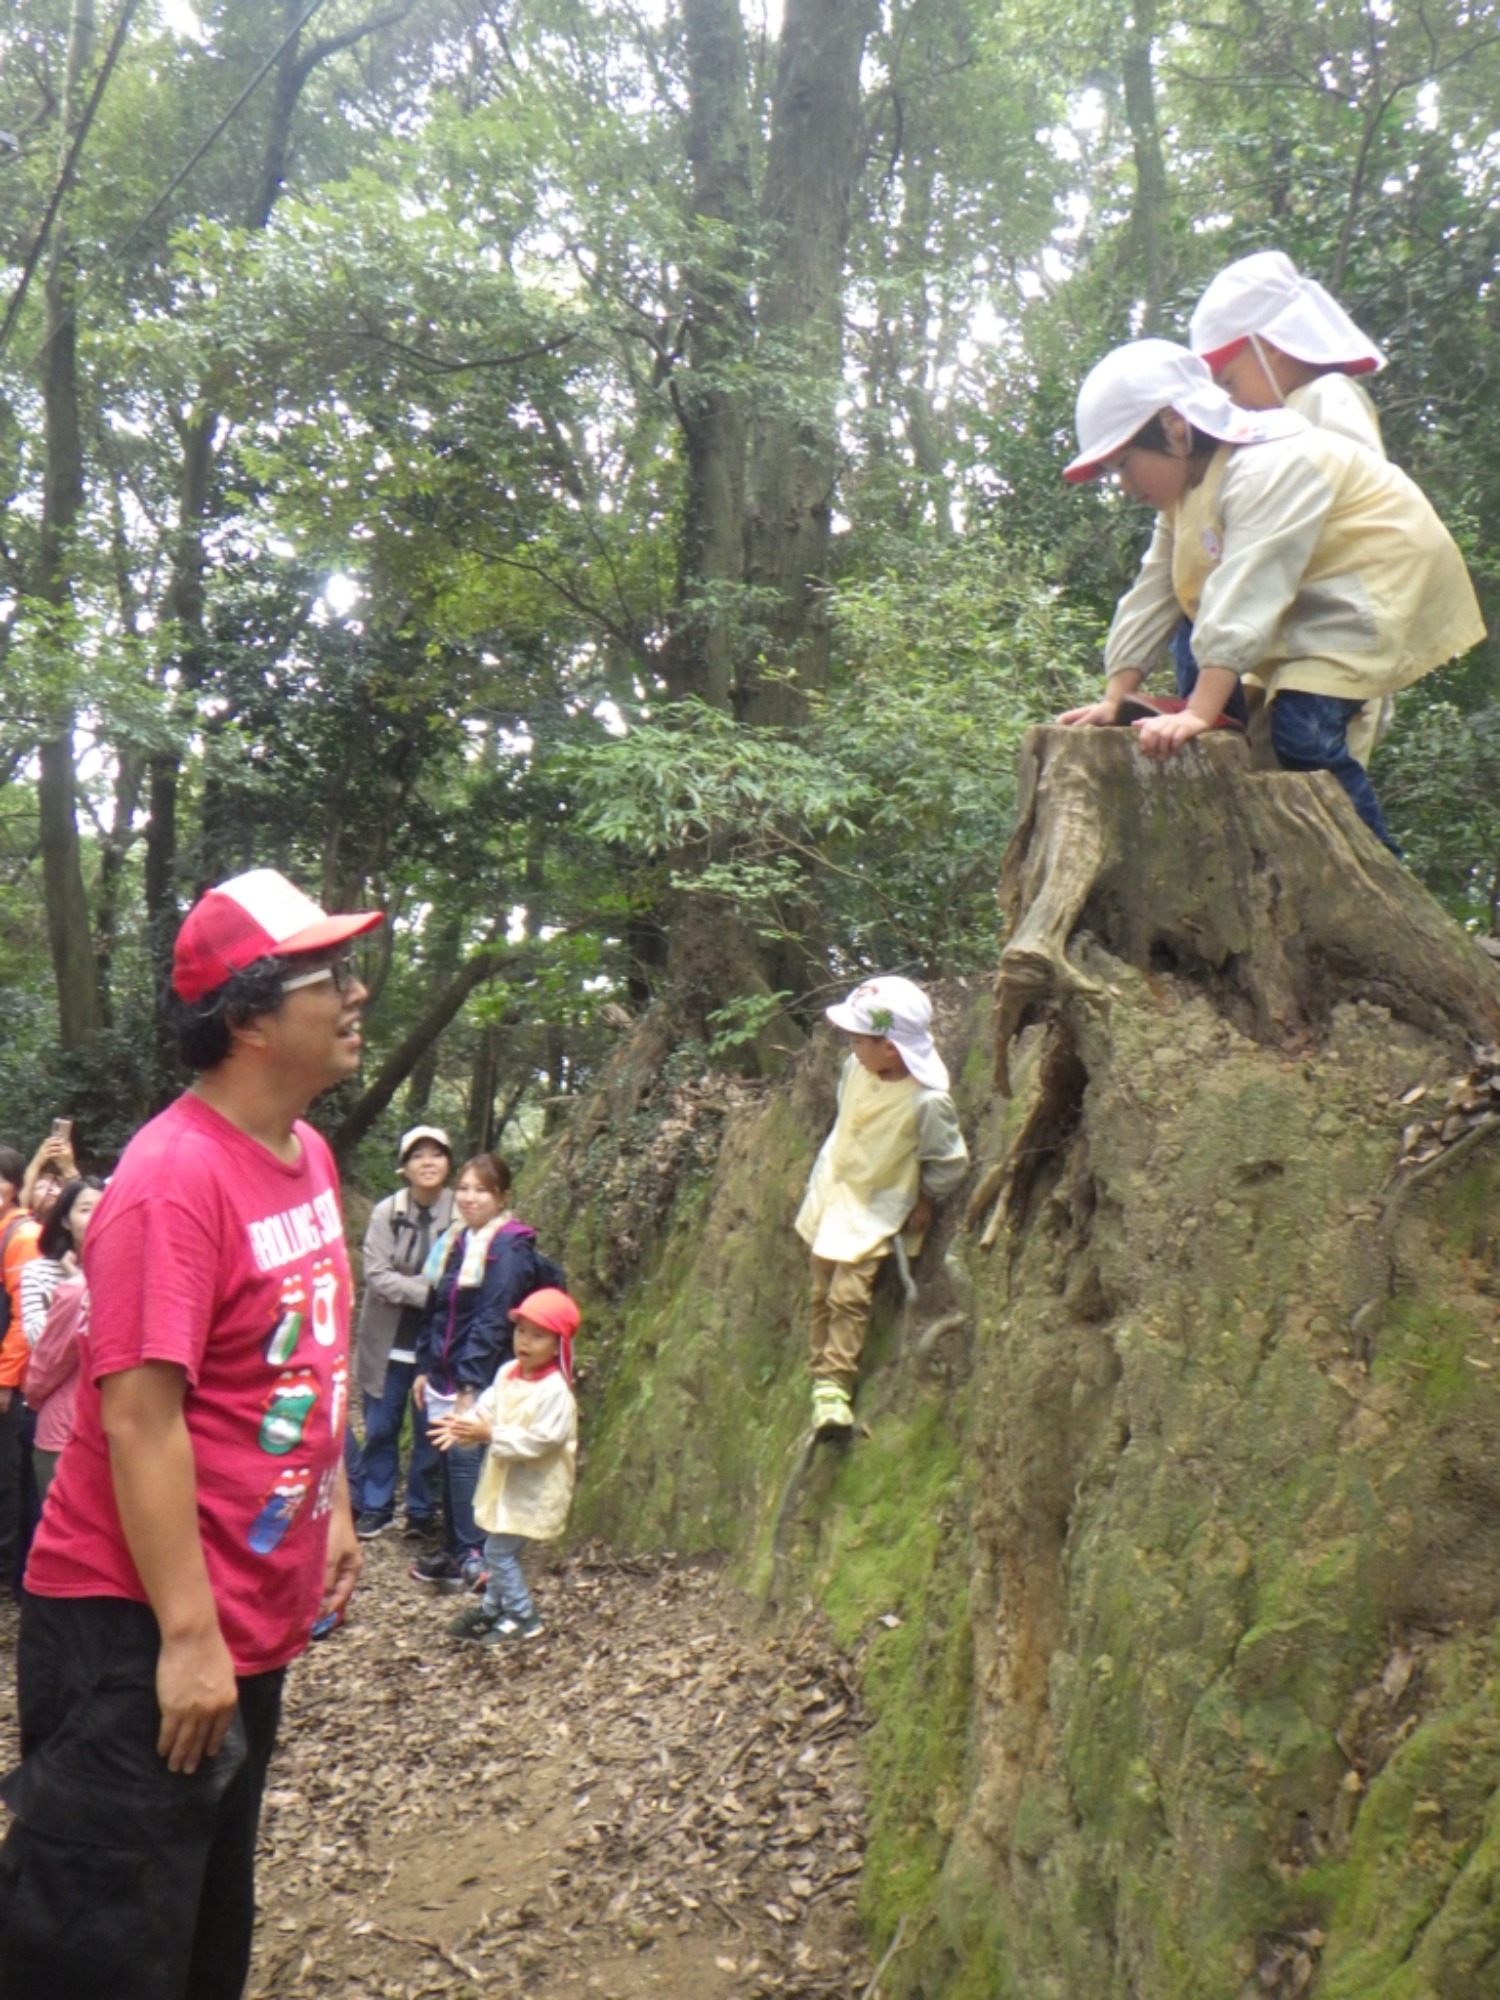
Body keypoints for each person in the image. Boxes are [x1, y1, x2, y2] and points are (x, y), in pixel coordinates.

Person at [0, 867, 380, 2000]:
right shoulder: (173, 1180)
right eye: (330, 976)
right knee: (100, 1943)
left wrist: (339, 1510)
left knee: (203, 1914)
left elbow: (301, 1359)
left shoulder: (305, 1153)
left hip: (241, 1616)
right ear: (253, 1015)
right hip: (137, 1628)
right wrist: (185, 1633)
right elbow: (137, 1417)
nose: (356, 993)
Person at [1057, 340, 1485, 853]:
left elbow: (1248, 587)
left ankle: (1382, 872)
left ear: (1175, 426)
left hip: (1369, 583)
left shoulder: (1262, 465)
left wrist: (1196, 712)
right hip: (1310, 596)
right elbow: (1154, 592)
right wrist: (1113, 699)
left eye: (1126, 464)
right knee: (1193, 608)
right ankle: (1223, 720)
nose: (1122, 484)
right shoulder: (1181, 502)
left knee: (1304, 735)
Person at [794, 976, 969, 1438]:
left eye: (859, 1039)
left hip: (873, 1210)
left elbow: (950, 1162)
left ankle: (834, 1388)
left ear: (891, 1048)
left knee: (847, 1297)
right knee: (820, 1290)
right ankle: (819, 1375)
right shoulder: (857, 1070)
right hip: (833, 1194)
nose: (851, 1046)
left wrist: (925, 1198)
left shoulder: (926, 1101)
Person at [409, 1151, 557, 1594]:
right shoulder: (457, 1240)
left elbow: (493, 1319)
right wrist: (423, 1366)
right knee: (447, 1456)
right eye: (466, 1189)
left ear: (502, 1197)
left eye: (482, 1190)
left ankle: (474, 1554)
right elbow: (436, 1307)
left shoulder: (508, 1246)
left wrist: (469, 1386)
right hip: (444, 1370)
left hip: (481, 1375)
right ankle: (456, 1550)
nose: (470, 1198)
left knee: (464, 1461)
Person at [437, 1286, 580, 1647]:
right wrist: (466, 1425)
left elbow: (541, 1441)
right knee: (497, 1547)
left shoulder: (555, 1392)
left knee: (498, 1552)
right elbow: (488, 1407)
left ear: (557, 1343)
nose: (525, 1341)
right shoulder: (507, 1373)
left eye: (538, 1335)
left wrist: (489, 1434)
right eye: (521, 1331)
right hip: (504, 1484)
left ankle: (522, 1615)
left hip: (534, 1489)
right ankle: (492, 1608)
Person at [350, 1126, 454, 1540]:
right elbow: (376, 1276)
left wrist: (414, 1291)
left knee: (431, 1431)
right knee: (380, 1427)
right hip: (386, 1342)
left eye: (436, 1154)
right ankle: (377, 1506)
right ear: (404, 1167)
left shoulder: (462, 1212)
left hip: (436, 1345)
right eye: (417, 1156)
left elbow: (466, 1276)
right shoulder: (386, 1212)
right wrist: (431, 1292)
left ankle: (421, 1510)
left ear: (448, 1162)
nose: (427, 1162)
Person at [22, 1179, 103, 1501]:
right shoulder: (39, 1272)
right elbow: (40, 1344)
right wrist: (80, 1289)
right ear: (66, 1219)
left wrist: (78, 1282)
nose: (97, 1216)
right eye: (86, 1209)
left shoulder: (127, 1267)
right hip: (62, 1420)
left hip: (107, 1422)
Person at [0, 1148, 39, 1603]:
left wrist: (7, 1380)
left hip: (13, 1386)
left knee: (9, 1475)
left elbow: (21, 1319)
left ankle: (9, 1568)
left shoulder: (22, 1236)